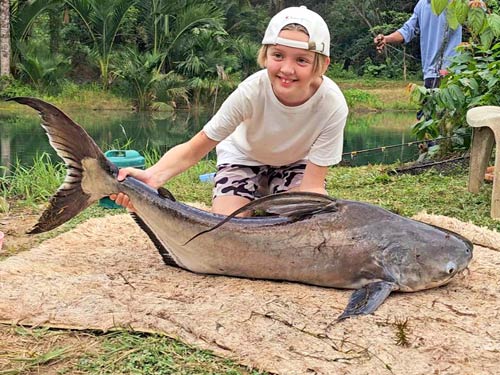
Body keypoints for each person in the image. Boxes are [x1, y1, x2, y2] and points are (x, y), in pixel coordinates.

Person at [111, 6, 348, 216]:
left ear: (322, 65)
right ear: (265, 56)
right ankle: (253, 195)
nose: (287, 69)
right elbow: (197, 147)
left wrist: (304, 213)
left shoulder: (332, 104)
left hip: (294, 163)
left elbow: (313, 184)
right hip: (242, 158)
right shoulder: (250, 92)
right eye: (278, 55)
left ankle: (269, 197)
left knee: (305, 217)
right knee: (228, 223)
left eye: (301, 60)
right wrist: (153, 177)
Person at [373, 0, 462, 89]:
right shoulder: (422, 4)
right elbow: (407, 30)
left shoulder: (456, 2)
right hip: (431, 74)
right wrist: (386, 38)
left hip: (452, 72)